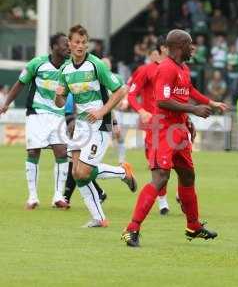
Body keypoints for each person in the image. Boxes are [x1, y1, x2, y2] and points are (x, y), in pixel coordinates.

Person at [121, 29, 228, 247]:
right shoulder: (166, 69)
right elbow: (161, 101)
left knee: (188, 176)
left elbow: (188, 91)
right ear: (179, 46)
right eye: (190, 44)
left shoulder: (183, 68)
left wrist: (209, 104)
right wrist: (194, 110)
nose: (193, 48)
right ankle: (131, 230)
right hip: (163, 130)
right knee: (160, 178)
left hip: (178, 130)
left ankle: (193, 226)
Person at [54, 24, 137, 228]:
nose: (80, 46)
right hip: (80, 125)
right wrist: (58, 95)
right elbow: (60, 103)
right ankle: (99, 218)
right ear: (70, 44)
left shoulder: (96, 65)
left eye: (84, 42)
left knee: (83, 172)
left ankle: (122, 172)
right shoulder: (65, 69)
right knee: (76, 173)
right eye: (76, 42)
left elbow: (119, 91)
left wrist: (101, 111)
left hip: (100, 123)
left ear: (87, 43)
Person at [0, 33, 71, 210]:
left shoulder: (70, 67)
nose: (68, 47)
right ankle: (32, 197)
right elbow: (19, 83)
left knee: (62, 153)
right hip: (36, 113)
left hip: (58, 115)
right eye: (64, 44)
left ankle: (58, 196)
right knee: (33, 152)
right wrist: (6, 103)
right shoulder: (36, 63)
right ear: (54, 47)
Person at [127, 37, 172, 215]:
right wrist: (141, 111)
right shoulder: (146, 70)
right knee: (158, 166)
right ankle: (162, 201)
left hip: (174, 125)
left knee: (181, 163)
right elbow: (132, 94)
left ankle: (181, 194)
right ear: (163, 48)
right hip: (153, 126)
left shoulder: (178, 68)